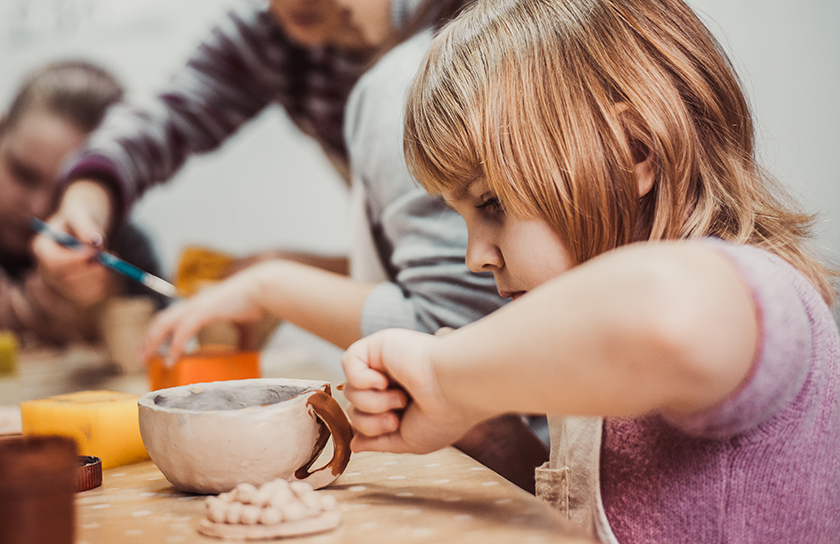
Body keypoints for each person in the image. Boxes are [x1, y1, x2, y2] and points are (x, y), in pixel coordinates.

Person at [340, 0, 840, 542]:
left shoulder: (764, 295)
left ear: (633, 149)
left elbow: (671, 318)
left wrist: (449, 380)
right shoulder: (597, 361)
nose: (476, 256)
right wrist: (501, 445)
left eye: (491, 205)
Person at [139, 0, 549, 492]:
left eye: (492, 204)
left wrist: (274, 285)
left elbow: (456, 328)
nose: (475, 258)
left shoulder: (398, 88)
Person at [0, 61, 163, 346]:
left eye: (65, 190)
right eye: (23, 175)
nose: (38, 208)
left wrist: (97, 307)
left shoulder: (127, 252)